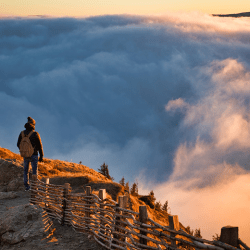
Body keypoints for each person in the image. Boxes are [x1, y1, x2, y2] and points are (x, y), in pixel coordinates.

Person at [17, 117, 44, 191]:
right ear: (33, 124)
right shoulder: (35, 133)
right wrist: (41, 156)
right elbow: (40, 146)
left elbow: (18, 144)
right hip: (34, 155)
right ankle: (35, 186)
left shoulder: (22, 133)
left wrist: (23, 150)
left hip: (25, 155)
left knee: (26, 171)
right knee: (34, 171)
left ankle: (27, 187)